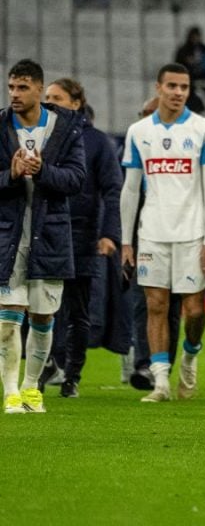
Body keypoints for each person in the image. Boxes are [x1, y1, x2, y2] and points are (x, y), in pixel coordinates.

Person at [119, 64, 205, 403]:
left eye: (184, 87)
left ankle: (190, 355)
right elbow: (131, 190)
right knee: (156, 306)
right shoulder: (138, 132)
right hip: (152, 234)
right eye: (172, 86)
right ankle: (161, 382)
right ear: (158, 87)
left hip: (192, 235)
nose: (178, 92)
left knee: (194, 311)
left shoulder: (203, 128)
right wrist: (126, 241)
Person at [0, 60, 84, 414]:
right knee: (8, 317)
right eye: (11, 88)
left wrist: (43, 171)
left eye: (22, 88)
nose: (14, 95)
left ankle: (32, 387)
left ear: (38, 88)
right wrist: (11, 174)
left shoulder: (66, 128)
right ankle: (10, 393)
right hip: (9, 234)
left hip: (50, 234)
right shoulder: (1, 125)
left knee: (43, 317)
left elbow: (77, 179)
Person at [44, 78, 120, 399]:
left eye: (56, 97)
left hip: (85, 234)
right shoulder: (42, 135)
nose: (49, 102)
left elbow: (112, 189)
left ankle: (71, 375)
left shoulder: (98, 142)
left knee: (78, 310)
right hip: (47, 232)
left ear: (76, 102)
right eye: (46, 97)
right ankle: (49, 362)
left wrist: (109, 233)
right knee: (45, 305)